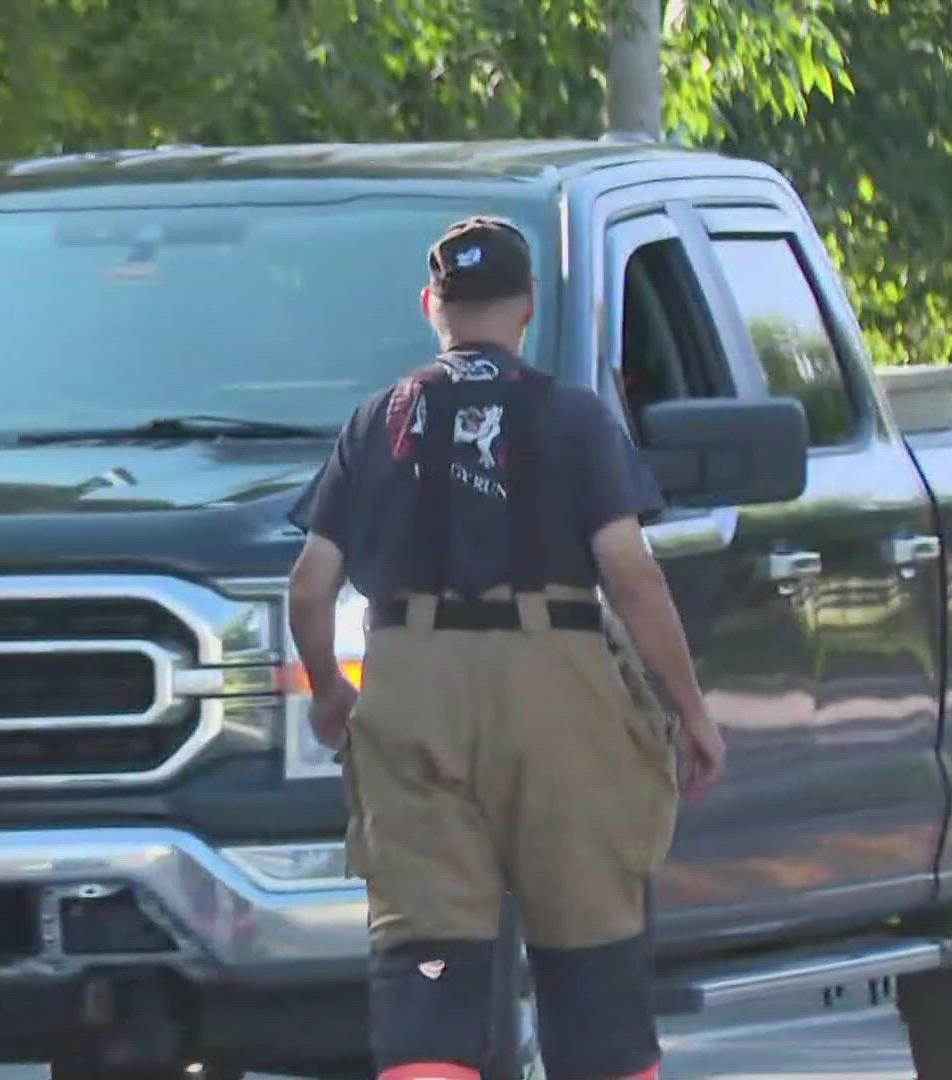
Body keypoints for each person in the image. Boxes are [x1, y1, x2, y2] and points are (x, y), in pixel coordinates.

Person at [285, 217, 726, 1080]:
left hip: (411, 681)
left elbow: (309, 586)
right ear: (527, 308)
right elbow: (630, 575)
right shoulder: (572, 416)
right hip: (555, 686)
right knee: (589, 943)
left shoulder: (379, 419)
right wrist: (690, 713)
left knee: (430, 956)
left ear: (431, 307)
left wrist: (333, 691)